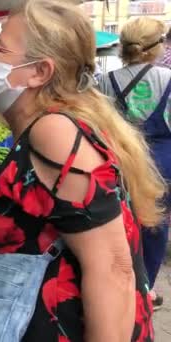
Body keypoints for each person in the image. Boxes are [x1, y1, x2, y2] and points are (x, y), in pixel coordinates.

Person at [0, 0, 165, 341]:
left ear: (40, 71)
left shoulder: (54, 132)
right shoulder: (47, 126)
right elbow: (54, 217)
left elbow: (113, 270)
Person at [98, 16, 171, 312]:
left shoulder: (105, 81)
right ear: (157, 47)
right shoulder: (168, 80)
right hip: (161, 166)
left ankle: (118, 287)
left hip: (119, 164)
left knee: (117, 226)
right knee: (153, 228)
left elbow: (99, 127)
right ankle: (145, 290)